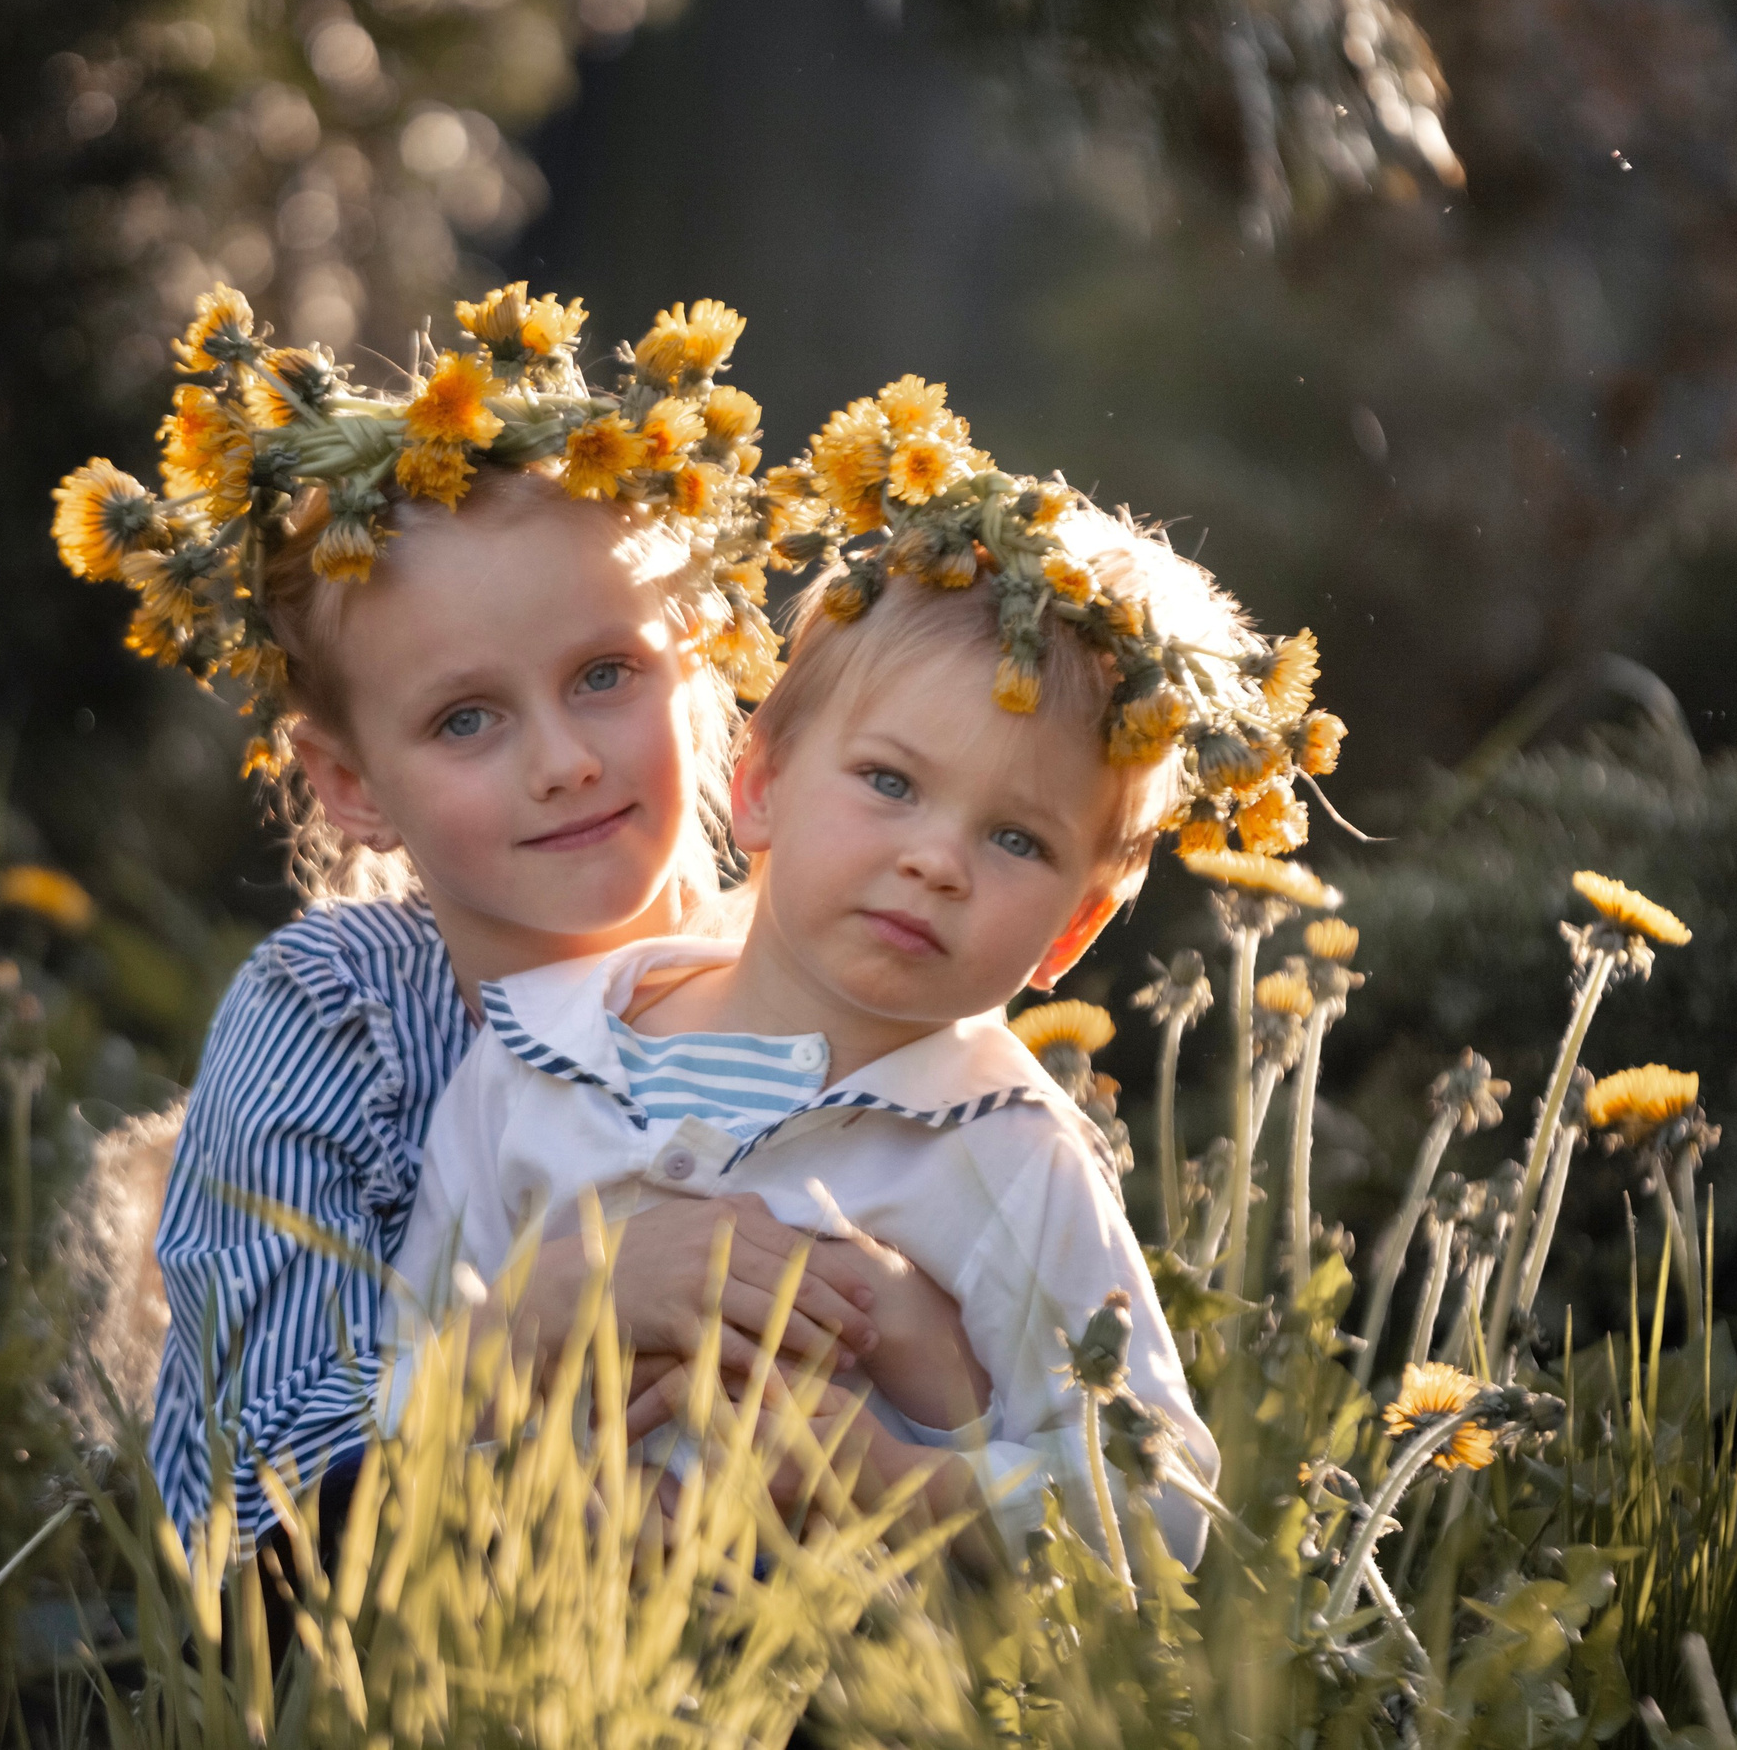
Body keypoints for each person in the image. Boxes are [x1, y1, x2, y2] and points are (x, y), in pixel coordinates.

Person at [53, 282, 952, 1551]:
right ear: (352, 785)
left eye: (603, 674)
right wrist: (551, 1313)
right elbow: (227, 1507)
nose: (564, 760)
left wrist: (904, 1331)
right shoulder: (340, 1015)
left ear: (694, 661)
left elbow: (1050, 1419)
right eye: (465, 717)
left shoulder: (851, 962)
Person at [394, 376, 1350, 1567]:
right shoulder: (538, 1056)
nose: (935, 860)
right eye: (890, 782)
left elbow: (1153, 1503)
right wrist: (523, 1434)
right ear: (761, 785)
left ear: (1075, 929)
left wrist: (905, 1480)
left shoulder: (1007, 1157)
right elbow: (395, 1402)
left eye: (1017, 840)